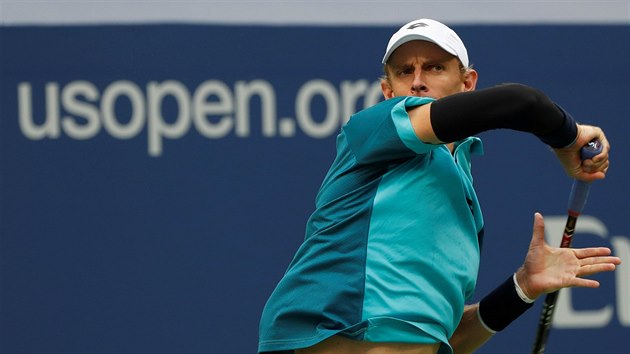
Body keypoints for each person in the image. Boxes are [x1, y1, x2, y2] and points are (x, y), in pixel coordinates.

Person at [258, 18, 621, 354]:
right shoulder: (374, 128)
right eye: (404, 71)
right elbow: (520, 103)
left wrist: (522, 288)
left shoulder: (464, 200)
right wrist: (569, 138)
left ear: (468, 83)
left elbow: (447, 340)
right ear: (388, 91)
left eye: (434, 67)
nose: (417, 80)